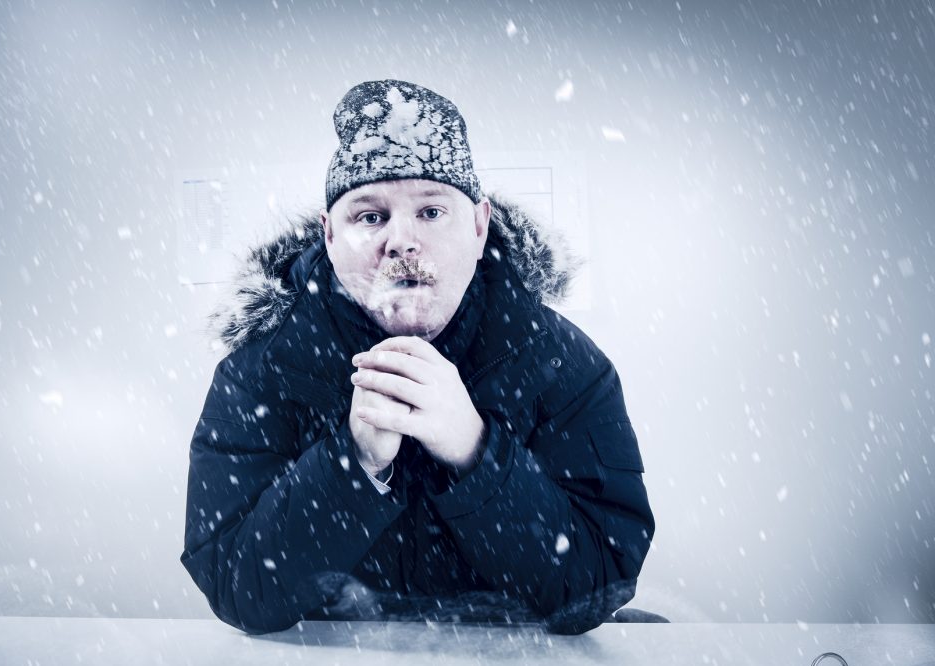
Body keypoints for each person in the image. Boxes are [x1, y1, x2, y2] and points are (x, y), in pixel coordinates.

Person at [181, 80, 654, 635]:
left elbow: (599, 583)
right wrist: (353, 462)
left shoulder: (565, 364)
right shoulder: (261, 372)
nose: (401, 241)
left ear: (478, 226)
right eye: (370, 217)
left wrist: (475, 450)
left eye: (430, 211)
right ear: (329, 237)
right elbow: (235, 587)